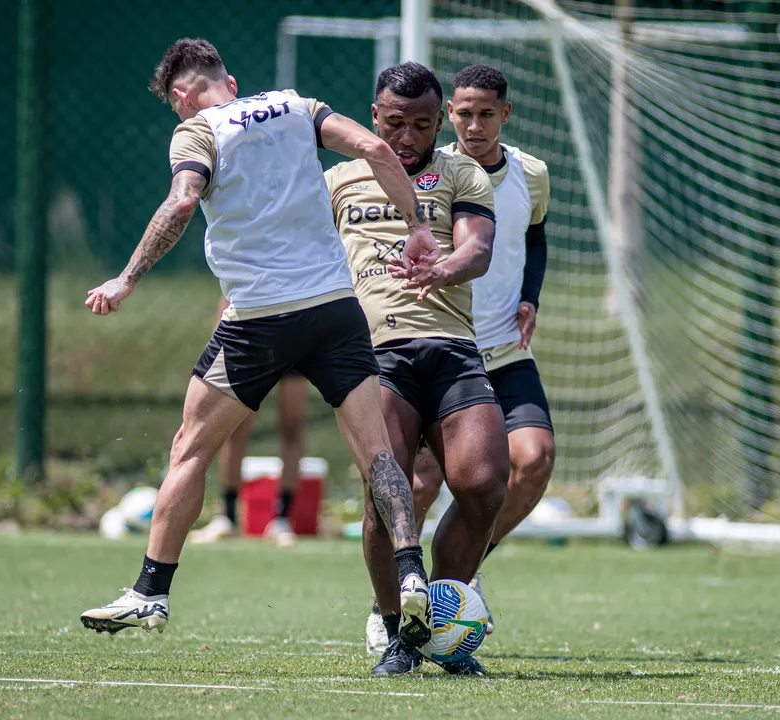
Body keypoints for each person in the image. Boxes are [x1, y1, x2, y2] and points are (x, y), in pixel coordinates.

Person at [79, 38, 438, 656]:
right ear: (232, 80)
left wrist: (127, 276)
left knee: (190, 446)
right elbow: (378, 149)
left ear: (181, 97)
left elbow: (184, 200)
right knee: (378, 452)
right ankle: (411, 573)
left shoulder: (197, 133)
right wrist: (417, 229)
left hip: (258, 317)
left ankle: (150, 591)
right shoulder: (299, 106)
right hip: (335, 308)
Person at [326, 62, 508, 676]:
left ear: (440, 123)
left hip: (452, 347)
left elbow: (477, 249)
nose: (408, 138)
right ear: (375, 117)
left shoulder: (460, 172)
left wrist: (442, 268)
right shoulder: (340, 180)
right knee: (387, 494)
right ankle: (397, 632)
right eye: (395, 123)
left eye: (423, 125)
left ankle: (440, 622)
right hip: (373, 354)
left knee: (483, 483)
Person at [387, 64, 555, 646]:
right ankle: (396, 612)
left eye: (487, 113)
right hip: (442, 350)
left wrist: (530, 296)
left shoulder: (531, 174)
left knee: (532, 461)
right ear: (447, 115)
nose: (474, 124)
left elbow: (533, 234)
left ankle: (462, 576)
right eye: (464, 113)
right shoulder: (424, 173)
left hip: (504, 350)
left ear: (505, 115)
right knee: (416, 484)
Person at [189, 297, 308, 548]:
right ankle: (228, 517)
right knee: (234, 428)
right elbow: (228, 293)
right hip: (251, 336)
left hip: (294, 336)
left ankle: (282, 519)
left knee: (292, 428)